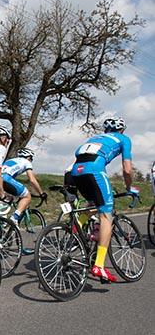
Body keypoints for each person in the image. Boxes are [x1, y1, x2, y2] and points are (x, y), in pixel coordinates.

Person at [71, 117, 139, 282]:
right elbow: (127, 169)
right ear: (122, 130)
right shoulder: (124, 139)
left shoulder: (94, 138)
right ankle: (99, 266)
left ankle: (74, 231)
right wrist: (129, 188)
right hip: (95, 171)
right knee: (106, 215)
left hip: (76, 172)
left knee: (94, 204)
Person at [0, 147, 47, 226]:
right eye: (31, 159)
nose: (31, 160)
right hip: (5, 179)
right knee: (27, 196)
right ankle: (14, 218)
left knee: (6, 201)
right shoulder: (26, 162)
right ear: (29, 157)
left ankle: (0, 226)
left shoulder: (10, 160)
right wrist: (41, 193)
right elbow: (32, 180)